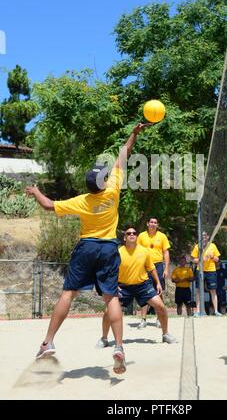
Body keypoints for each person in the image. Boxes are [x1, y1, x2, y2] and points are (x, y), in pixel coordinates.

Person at [26, 123, 150, 374]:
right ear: (104, 181)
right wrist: (134, 133)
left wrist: (37, 191)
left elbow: (49, 206)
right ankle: (118, 346)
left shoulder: (83, 201)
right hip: (108, 249)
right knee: (111, 297)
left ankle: (48, 342)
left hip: (87, 248)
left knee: (68, 294)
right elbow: (123, 154)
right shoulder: (113, 189)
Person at [96, 224, 176, 346]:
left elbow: (152, 268)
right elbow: (110, 270)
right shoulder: (118, 252)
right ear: (124, 238)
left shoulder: (144, 251)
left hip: (143, 285)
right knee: (108, 311)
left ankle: (165, 334)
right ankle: (104, 338)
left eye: (134, 233)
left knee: (160, 306)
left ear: (137, 237)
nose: (132, 235)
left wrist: (158, 283)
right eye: (129, 233)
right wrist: (113, 284)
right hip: (123, 287)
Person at [136, 217, 171, 329]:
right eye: (151, 222)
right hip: (144, 266)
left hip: (158, 266)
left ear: (157, 225)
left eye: (155, 222)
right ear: (147, 224)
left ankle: (159, 319)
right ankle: (143, 319)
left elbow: (166, 253)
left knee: (159, 291)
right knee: (143, 292)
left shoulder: (162, 236)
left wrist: (166, 268)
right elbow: (136, 251)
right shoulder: (141, 236)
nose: (153, 224)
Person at [191, 232, 222, 317]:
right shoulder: (197, 246)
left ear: (208, 237)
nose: (204, 237)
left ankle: (216, 311)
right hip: (199, 270)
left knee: (213, 291)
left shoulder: (213, 246)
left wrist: (212, 257)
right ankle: (197, 311)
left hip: (211, 271)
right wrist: (201, 259)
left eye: (205, 235)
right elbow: (193, 260)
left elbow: (217, 259)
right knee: (198, 290)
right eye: (202, 235)